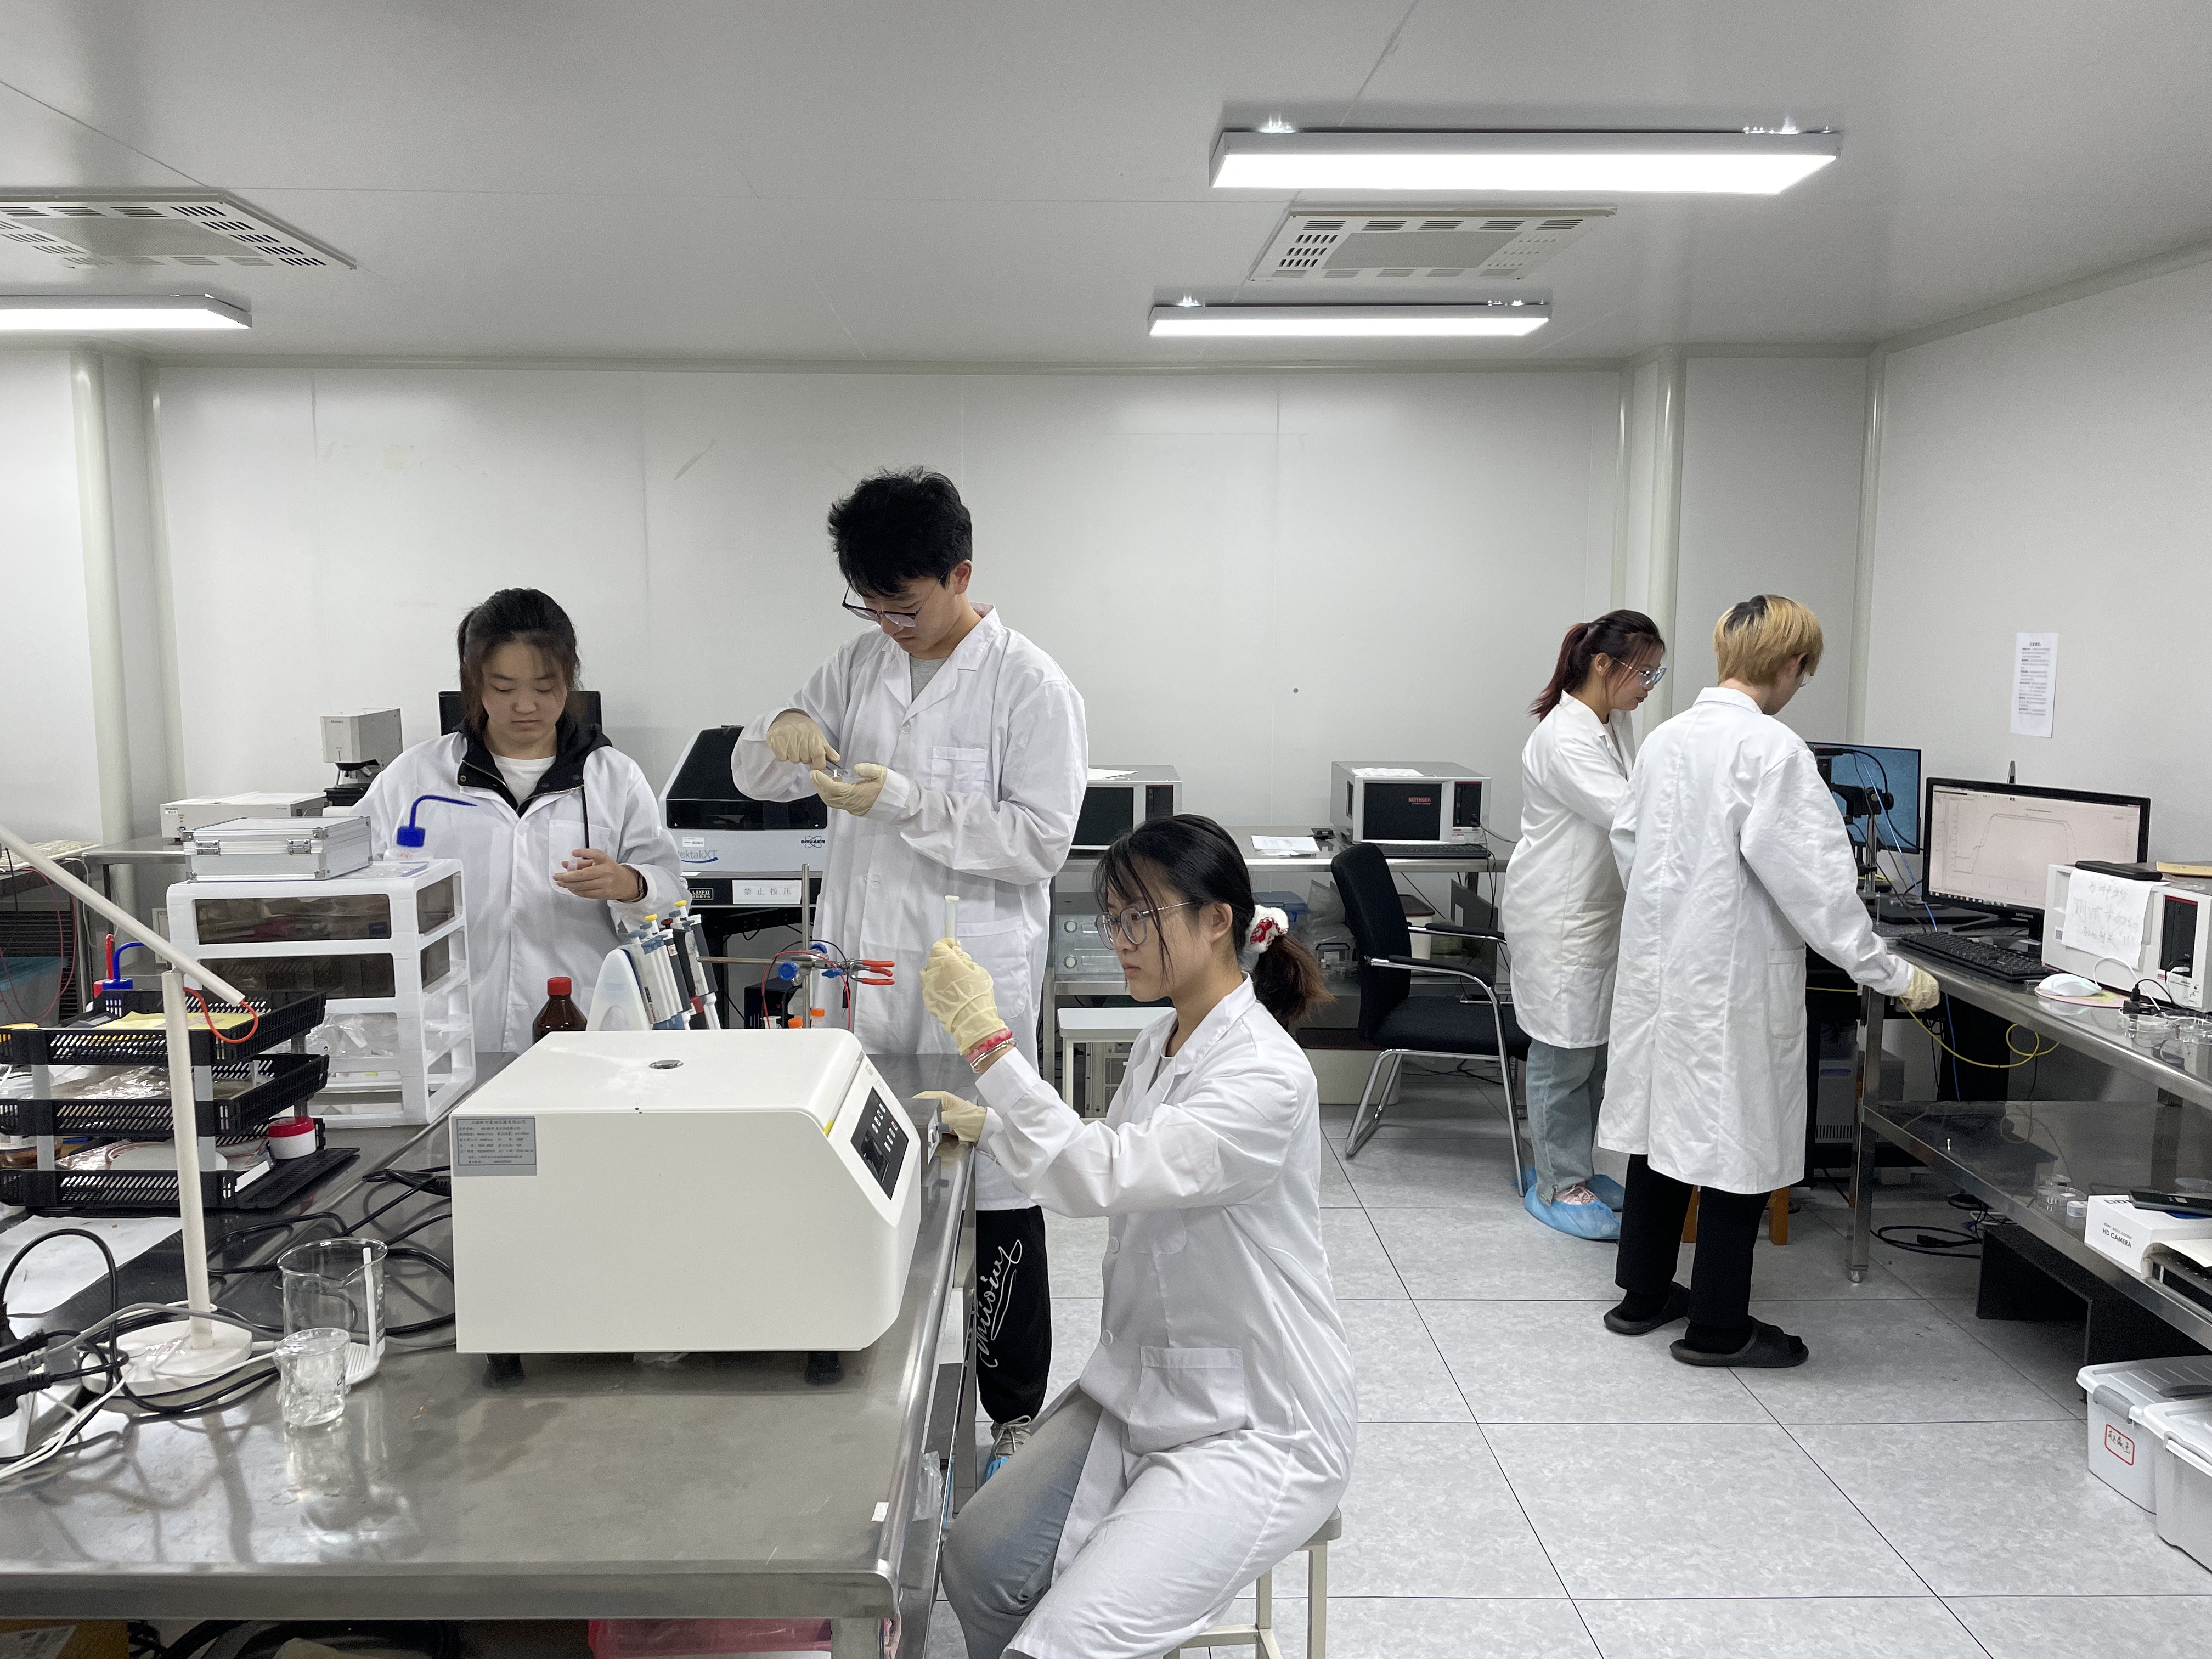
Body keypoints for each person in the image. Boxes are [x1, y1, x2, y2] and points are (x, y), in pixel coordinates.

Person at [922, 814, 1354, 1659]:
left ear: (1217, 919)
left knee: (1073, 1641)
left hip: (1257, 1419)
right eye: (1111, 919)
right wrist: (996, 1128)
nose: (1119, 940)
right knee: (978, 1563)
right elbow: (1111, 1155)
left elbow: (1101, 1174)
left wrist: (988, 1044)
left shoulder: (1265, 1076)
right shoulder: (1164, 1039)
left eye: (1139, 918)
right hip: (1145, 1377)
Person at [729, 467, 1086, 1479]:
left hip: (968, 983)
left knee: (997, 1187)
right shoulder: (857, 665)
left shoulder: (1031, 686)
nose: (890, 624)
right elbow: (757, 771)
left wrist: (905, 802)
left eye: (906, 605)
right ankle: (862, 1378)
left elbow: (1041, 842)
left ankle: (1014, 1417)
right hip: (856, 979)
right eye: (870, 605)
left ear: (960, 574)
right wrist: (779, 732)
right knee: (853, 1169)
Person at [1597, 595, 1939, 1367]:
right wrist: (1888, 971)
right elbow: (1819, 890)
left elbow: (1630, 845)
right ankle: (1718, 1330)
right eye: (1804, 672)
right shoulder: (1773, 750)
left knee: (1659, 1131)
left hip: (1663, 972)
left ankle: (1643, 1296)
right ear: (1792, 664)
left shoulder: (1666, 739)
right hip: (1732, 982)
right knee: (1735, 1146)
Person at [361, 588, 685, 1053]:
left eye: (545, 687)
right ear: (473, 682)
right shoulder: (416, 776)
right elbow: (351, 882)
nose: (526, 705)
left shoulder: (614, 778)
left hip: (584, 1025)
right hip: (451, 1034)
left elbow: (672, 899)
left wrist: (630, 884)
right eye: (504, 689)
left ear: (569, 679)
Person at [1502, 608, 1668, 1242]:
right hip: (1559, 918)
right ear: (1603, 664)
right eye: (1644, 672)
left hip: (1597, 915)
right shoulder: (1564, 738)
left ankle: (1576, 1167)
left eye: (1655, 673)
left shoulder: (1614, 722)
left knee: (1594, 1054)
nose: (1649, 685)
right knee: (1562, 1054)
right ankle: (1555, 1184)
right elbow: (1631, 814)